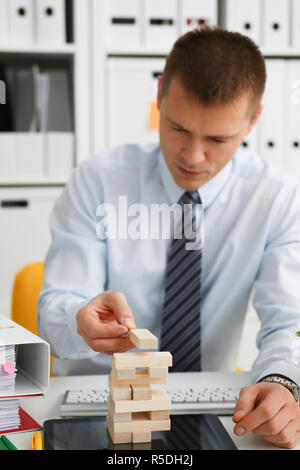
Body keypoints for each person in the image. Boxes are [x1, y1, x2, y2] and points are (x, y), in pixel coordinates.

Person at [38, 27, 300, 448]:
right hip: (94, 404)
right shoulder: (98, 181)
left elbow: (288, 321)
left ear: (253, 121)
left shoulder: (277, 199)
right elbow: (56, 304)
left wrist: (281, 380)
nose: (193, 157)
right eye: (177, 128)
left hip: (202, 407)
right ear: (160, 95)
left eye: (217, 139)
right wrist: (78, 319)